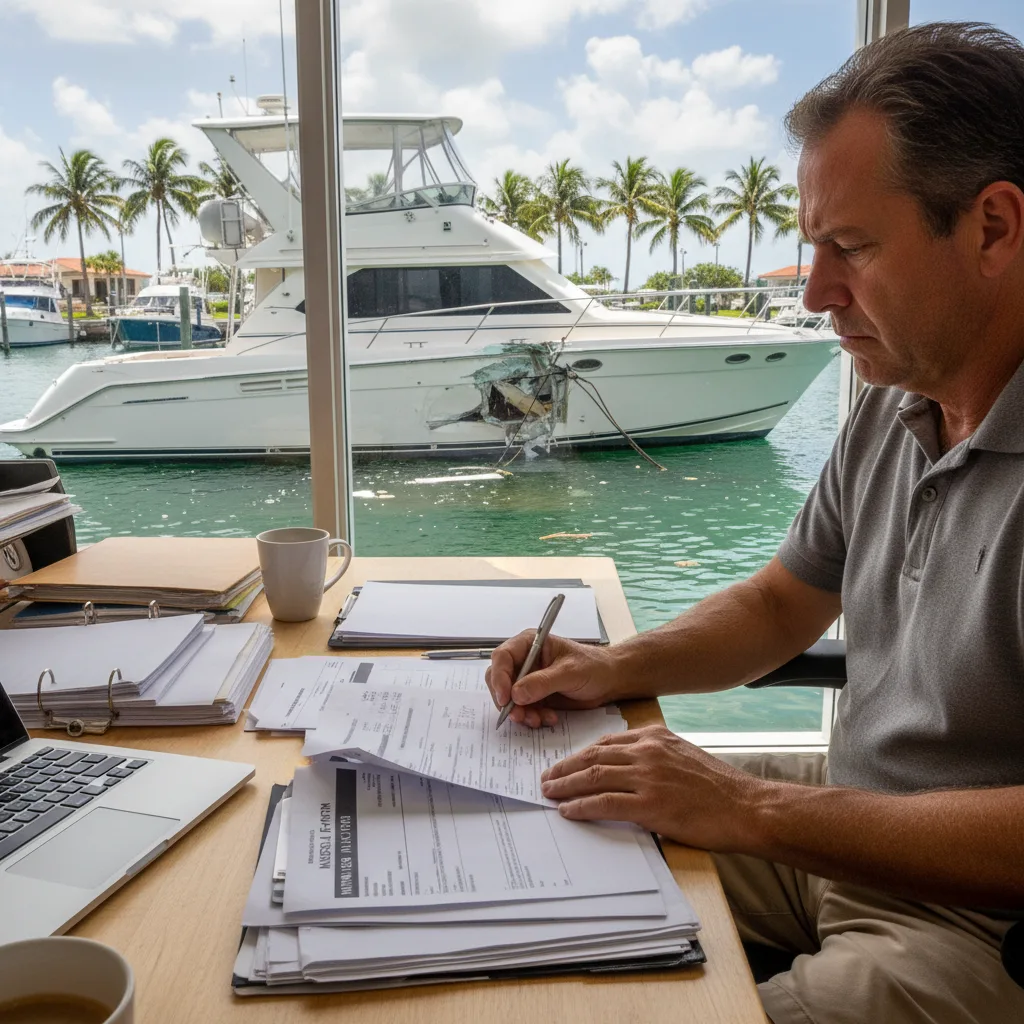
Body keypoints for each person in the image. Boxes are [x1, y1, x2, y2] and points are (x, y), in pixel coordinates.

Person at [486, 22, 1024, 1024]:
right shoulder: (890, 400)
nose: (817, 294)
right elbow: (781, 602)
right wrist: (611, 666)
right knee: (551, 822)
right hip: (846, 819)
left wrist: (756, 808)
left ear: (992, 226)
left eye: (850, 247)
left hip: (976, 921)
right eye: (813, 247)